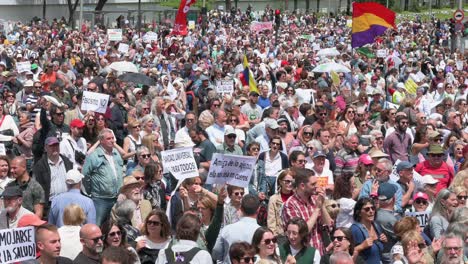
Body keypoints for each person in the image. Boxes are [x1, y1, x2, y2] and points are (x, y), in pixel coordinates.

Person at [282, 167, 332, 255]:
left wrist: (322, 205)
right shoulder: (290, 204)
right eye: (313, 184)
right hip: (303, 255)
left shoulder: (315, 199)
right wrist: (317, 209)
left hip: (319, 252)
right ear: (302, 186)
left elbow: (329, 225)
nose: (316, 186)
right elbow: (301, 231)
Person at [82, 128, 124, 226]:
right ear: (101, 141)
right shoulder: (94, 156)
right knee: (97, 225)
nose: (112, 140)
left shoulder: (116, 153)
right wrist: (90, 190)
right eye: (108, 138)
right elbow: (85, 174)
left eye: (113, 138)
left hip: (116, 198)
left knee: (115, 226)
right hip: (100, 199)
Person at [213, 194, 261, 263]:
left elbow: (216, 253)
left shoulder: (227, 230)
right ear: (258, 209)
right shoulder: (263, 233)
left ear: (241, 209)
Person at [33, 136, 74, 207]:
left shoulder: (67, 162)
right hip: (51, 204)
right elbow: (38, 188)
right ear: (45, 148)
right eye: (51, 146)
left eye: (56, 145)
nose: (55, 148)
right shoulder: (40, 166)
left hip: (68, 202)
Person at [351, 197, 387, 264]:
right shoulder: (355, 230)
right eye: (367, 209)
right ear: (359, 213)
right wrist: (361, 246)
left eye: (373, 208)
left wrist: (384, 240)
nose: (371, 211)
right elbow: (348, 252)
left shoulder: (376, 226)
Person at [267, 169, 295, 240]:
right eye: (287, 181)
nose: (290, 184)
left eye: (292, 182)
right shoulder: (274, 199)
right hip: (280, 236)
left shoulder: (297, 197)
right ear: (280, 182)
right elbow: (271, 222)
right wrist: (274, 238)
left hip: (295, 235)